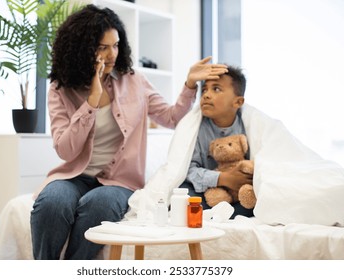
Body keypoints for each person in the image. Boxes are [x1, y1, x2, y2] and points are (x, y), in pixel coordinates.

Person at [30, 4, 228, 260]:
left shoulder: (134, 80)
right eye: (102, 47)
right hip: (75, 175)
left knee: (98, 204)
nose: (112, 54)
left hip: (119, 182)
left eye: (115, 45)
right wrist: (91, 101)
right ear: (81, 49)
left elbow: (170, 117)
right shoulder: (60, 88)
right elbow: (65, 150)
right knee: (51, 202)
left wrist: (190, 84)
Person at [178, 66, 254, 218]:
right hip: (206, 191)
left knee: (253, 200)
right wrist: (223, 178)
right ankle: (215, 215)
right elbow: (188, 169)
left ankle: (222, 215)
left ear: (237, 102)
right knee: (182, 195)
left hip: (237, 192)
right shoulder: (197, 128)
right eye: (205, 90)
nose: (206, 95)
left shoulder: (248, 126)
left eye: (216, 89)